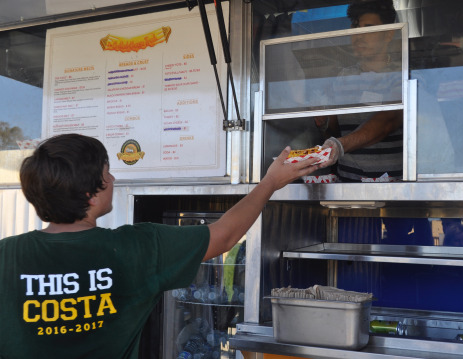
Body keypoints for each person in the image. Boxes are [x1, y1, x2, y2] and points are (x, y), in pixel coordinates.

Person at [0, 133, 320, 359]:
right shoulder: (137, 247)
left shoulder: (6, 256)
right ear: (90, 194)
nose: (112, 180)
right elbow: (223, 236)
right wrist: (270, 182)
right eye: (106, 173)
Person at [317, 0, 403, 182]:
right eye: (356, 28)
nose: (359, 36)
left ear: (388, 35)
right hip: (347, 186)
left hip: (392, 189)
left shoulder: (400, 76)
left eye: (368, 28)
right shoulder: (343, 77)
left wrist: (340, 146)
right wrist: (324, 122)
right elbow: (334, 132)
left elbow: (387, 122)